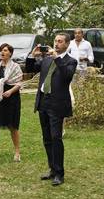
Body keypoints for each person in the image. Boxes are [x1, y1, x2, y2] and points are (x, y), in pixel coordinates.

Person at [26, 33, 77, 186]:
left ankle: (59, 173)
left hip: (57, 103)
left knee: (56, 137)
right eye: (55, 41)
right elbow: (30, 69)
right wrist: (33, 56)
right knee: (47, 138)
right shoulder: (46, 59)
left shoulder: (70, 61)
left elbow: (67, 76)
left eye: (60, 41)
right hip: (43, 101)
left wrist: (57, 58)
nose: (56, 44)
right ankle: (52, 169)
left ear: (67, 44)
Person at [0, 43, 24, 162]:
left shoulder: (16, 67)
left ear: (10, 53)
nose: (2, 52)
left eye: (5, 50)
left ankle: (17, 152)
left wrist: (10, 91)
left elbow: (19, 83)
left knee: (13, 125)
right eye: (1, 50)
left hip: (11, 97)